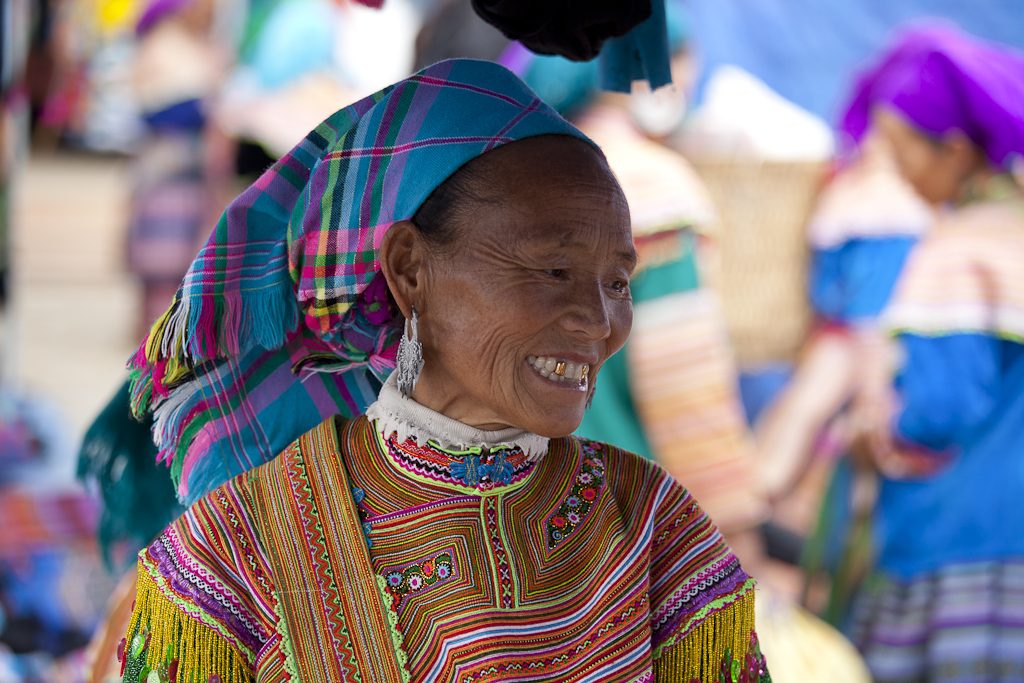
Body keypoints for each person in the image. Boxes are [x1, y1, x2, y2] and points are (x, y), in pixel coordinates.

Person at [117, 59, 769, 683]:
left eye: (619, 281)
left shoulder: (657, 527)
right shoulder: (235, 548)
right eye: (553, 271)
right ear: (408, 269)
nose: (599, 319)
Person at [837, 24, 1024, 682]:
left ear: (951, 150)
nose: (896, 171)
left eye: (899, 150)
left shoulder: (956, 251)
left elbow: (938, 410)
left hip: (960, 554)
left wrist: (872, 425)